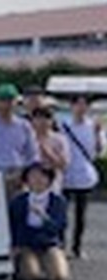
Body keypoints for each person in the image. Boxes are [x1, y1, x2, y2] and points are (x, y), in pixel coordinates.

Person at [9, 162, 69, 280]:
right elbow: (12, 225)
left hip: (48, 243)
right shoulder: (18, 201)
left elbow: (58, 227)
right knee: (30, 275)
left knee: (59, 277)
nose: (38, 180)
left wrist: (44, 217)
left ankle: (48, 264)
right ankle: (28, 266)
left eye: (42, 176)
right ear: (26, 180)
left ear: (49, 180)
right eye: (33, 176)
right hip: (26, 244)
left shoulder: (58, 201)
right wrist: (13, 246)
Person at [60, 96, 102, 259]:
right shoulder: (64, 125)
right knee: (62, 213)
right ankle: (61, 246)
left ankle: (77, 248)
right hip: (66, 175)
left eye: (84, 105)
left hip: (84, 175)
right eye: (78, 104)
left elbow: (98, 151)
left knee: (81, 215)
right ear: (71, 107)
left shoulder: (92, 126)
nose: (81, 108)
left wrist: (98, 134)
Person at [0, 83, 38, 196]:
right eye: (2, 100)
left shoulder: (24, 126)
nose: (7, 105)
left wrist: (22, 174)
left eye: (10, 100)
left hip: (17, 176)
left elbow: (32, 154)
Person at [30, 106, 69, 194]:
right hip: (30, 185)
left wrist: (48, 152)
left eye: (47, 118)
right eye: (38, 118)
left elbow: (64, 164)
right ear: (32, 120)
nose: (42, 121)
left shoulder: (60, 139)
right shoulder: (27, 138)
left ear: (52, 121)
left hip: (53, 185)